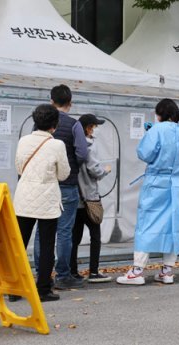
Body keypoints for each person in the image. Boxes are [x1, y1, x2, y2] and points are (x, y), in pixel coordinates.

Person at [117, 99, 179, 285]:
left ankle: (137, 271)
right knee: (172, 225)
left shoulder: (157, 129)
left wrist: (149, 134)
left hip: (157, 182)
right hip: (177, 183)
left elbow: (145, 153)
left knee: (147, 224)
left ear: (159, 114)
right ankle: (167, 271)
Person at [34, 84, 89, 290]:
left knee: (42, 230)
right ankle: (63, 275)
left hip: (45, 183)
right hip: (67, 184)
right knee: (64, 231)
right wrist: (72, 164)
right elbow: (83, 153)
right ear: (70, 103)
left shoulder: (38, 124)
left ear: (51, 101)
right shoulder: (74, 125)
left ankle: (42, 274)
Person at [13, 104, 70, 302]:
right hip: (47, 199)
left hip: (23, 197)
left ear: (35, 121)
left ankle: (14, 288)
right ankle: (43, 289)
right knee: (46, 245)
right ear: (55, 124)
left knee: (19, 244)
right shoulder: (57, 145)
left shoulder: (23, 140)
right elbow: (63, 174)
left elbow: (19, 168)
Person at [70, 114, 113, 283]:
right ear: (87, 128)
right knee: (95, 234)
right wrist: (106, 170)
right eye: (94, 127)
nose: (94, 130)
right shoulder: (88, 146)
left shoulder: (72, 145)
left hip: (76, 197)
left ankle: (72, 271)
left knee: (75, 236)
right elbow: (94, 169)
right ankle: (94, 272)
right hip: (89, 197)